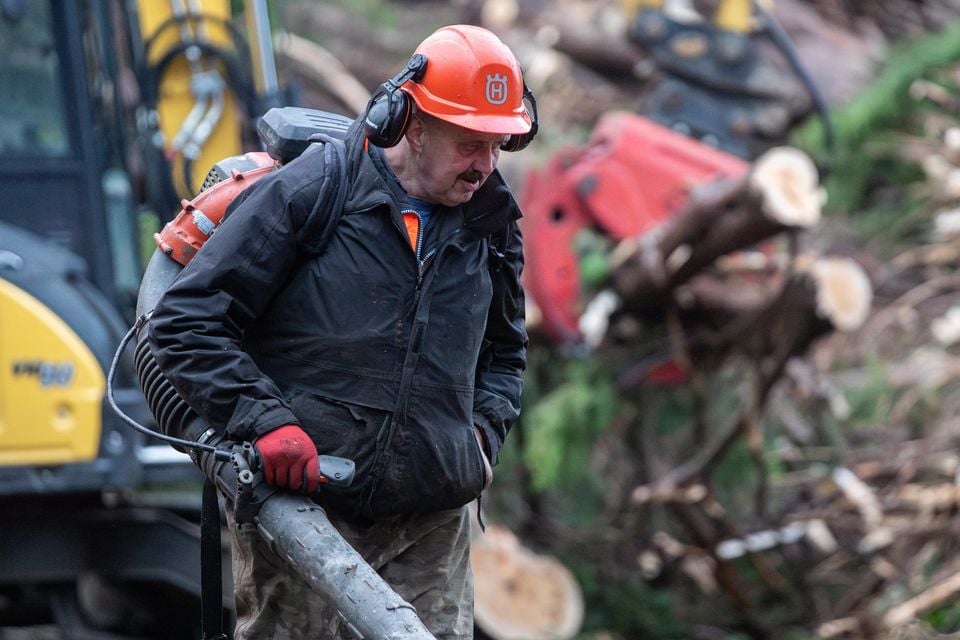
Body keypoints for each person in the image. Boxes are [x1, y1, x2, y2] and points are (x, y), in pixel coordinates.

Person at [147, 24, 535, 639]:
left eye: (497, 145)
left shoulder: (491, 222)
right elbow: (185, 321)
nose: (486, 166)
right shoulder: (314, 191)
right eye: (470, 144)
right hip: (309, 513)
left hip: (432, 525)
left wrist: (479, 442)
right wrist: (263, 421)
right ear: (411, 122)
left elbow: (506, 352)